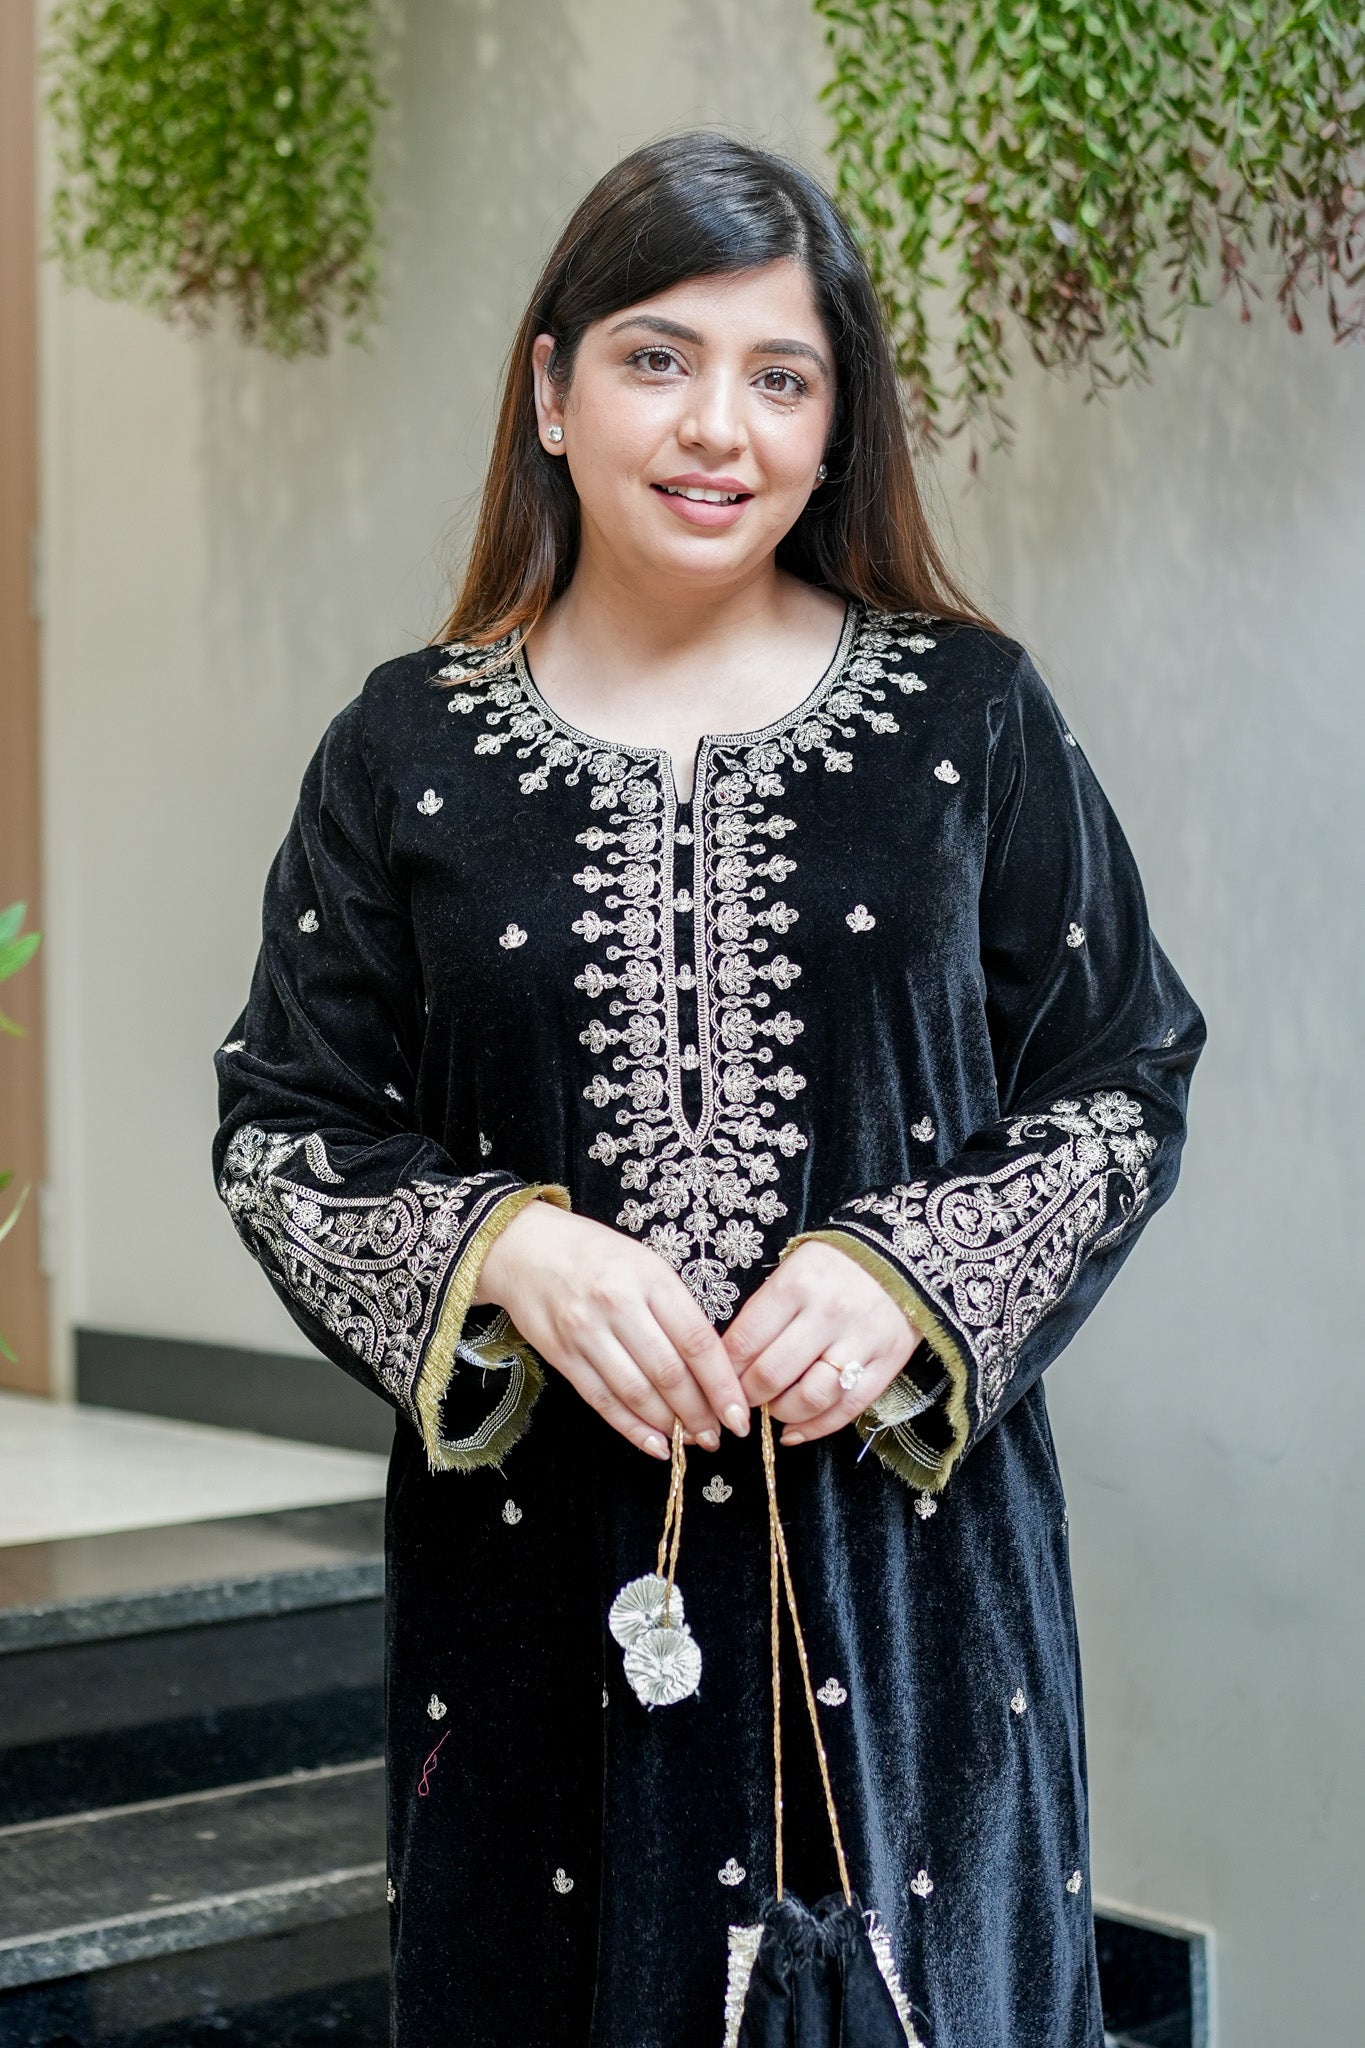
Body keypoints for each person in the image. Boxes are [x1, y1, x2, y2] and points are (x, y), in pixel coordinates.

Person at [213, 131, 1205, 2048]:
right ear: (551, 389)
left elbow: (1122, 1072)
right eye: (656, 358)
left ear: (837, 430)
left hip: (909, 1589)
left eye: (781, 377)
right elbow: (281, 1127)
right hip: (540, 1586)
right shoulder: (405, 750)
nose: (715, 428)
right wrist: (507, 1255)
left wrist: (911, 1272)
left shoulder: (968, 717)